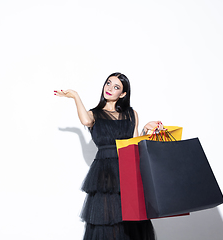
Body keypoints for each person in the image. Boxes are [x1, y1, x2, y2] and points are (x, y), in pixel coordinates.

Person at [54, 72, 163, 240]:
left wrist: (145, 131)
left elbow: (134, 145)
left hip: (127, 170)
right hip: (105, 175)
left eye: (116, 87)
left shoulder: (131, 114)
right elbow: (85, 121)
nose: (110, 89)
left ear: (123, 94)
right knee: (107, 221)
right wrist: (75, 96)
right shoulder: (94, 114)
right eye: (108, 83)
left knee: (131, 220)